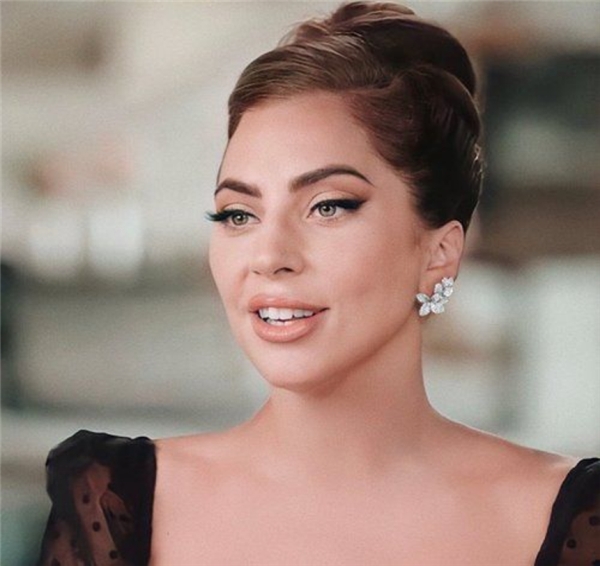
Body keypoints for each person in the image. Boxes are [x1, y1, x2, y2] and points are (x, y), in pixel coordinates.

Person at [37, 2, 599, 565]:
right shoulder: (115, 498)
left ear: (439, 253)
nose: (269, 257)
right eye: (238, 214)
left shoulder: (568, 514)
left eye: (328, 206)